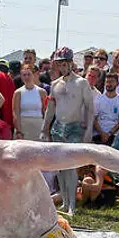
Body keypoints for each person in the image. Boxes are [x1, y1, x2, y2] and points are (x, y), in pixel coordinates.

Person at [41, 48, 93, 216]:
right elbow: (50, 108)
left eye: (65, 64)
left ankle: (72, 204)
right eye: (60, 64)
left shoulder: (82, 83)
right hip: (58, 127)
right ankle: (64, 202)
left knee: (71, 167)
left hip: (75, 126)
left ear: (71, 63)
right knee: (60, 167)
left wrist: (89, 130)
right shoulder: (56, 84)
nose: (63, 67)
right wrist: (45, 128)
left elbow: (90, 109)